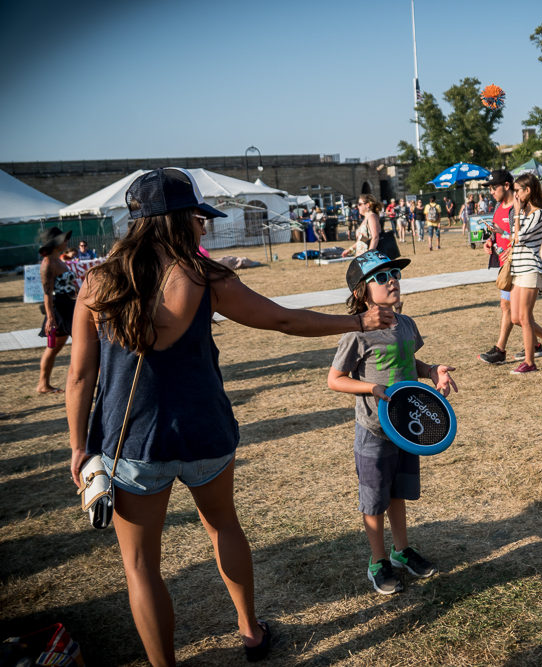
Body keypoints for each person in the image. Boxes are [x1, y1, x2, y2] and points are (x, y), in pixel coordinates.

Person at [66, 168, 394, 666]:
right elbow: (283, 320)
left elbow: (79, 376)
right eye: (198, 218)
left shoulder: (96, 283)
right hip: (206, 431)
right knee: (224, 527)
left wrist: (76, 447)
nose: (203, 227)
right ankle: (251, 632)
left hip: (129, 444)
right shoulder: (205, 277)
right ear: (178, 220)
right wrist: (357, 322)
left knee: (139, 567)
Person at [328, 250, 456, 594]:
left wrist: (431, 371)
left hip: (405, 429)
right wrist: (371, 387)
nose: (393, 280)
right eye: (381, 277)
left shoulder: (406, 324)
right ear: (361, 293)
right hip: (373, 431)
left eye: (394, 274)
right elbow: (335, 379)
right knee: (374, 499)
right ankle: (378, 561)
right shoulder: (356, 335)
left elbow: (408, 361)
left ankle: (402, 552)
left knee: (397, 493)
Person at [508, 173, 542, 374]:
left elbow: (519, 237)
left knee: (525, 317)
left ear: (528, 190)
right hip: (518, 269)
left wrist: (518, 212)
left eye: (518, 190)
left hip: (530, 268)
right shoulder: (527, 214)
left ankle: (529, 362)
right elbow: (514, 237)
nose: (515, 194)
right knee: (515, 318)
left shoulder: (538, 214)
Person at [478, 170, 518, 365]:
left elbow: (521, 236)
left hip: (516, 265)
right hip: (505, 265)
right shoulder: (499, 206)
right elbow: (495, 231)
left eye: (494, 187)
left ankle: (500, 349)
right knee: (518, 310)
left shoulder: (517, 208)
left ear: (507, 186)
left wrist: (510, 249)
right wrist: (489, 241)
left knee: (508, 307)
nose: (491, 191)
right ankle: (538, 344)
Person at [36, 227, 76, 394]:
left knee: (54, 347)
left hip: (68, 306)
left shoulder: (58, 260)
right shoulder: (48, 264)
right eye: (64, 239)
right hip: (60, 309)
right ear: (55, 243)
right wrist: (50, 318)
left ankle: (43, 384)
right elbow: (47, 293)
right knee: (55, 347)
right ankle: (42, 384)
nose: (66, 242)